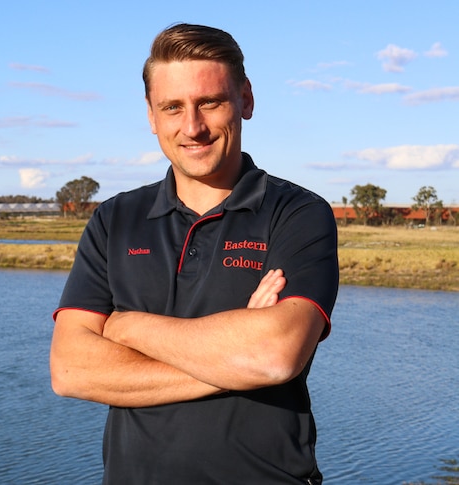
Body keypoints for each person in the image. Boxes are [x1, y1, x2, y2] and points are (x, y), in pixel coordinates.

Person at [49, 23, 339, 484]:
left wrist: (128, 327)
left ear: (245, 99)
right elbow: (70, 369)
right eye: (172, 107)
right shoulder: (114, 219)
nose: (193, 127)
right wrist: (235, 359)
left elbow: (276, 356)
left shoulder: (298, 213)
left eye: (210, 102)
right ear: (150, 115)